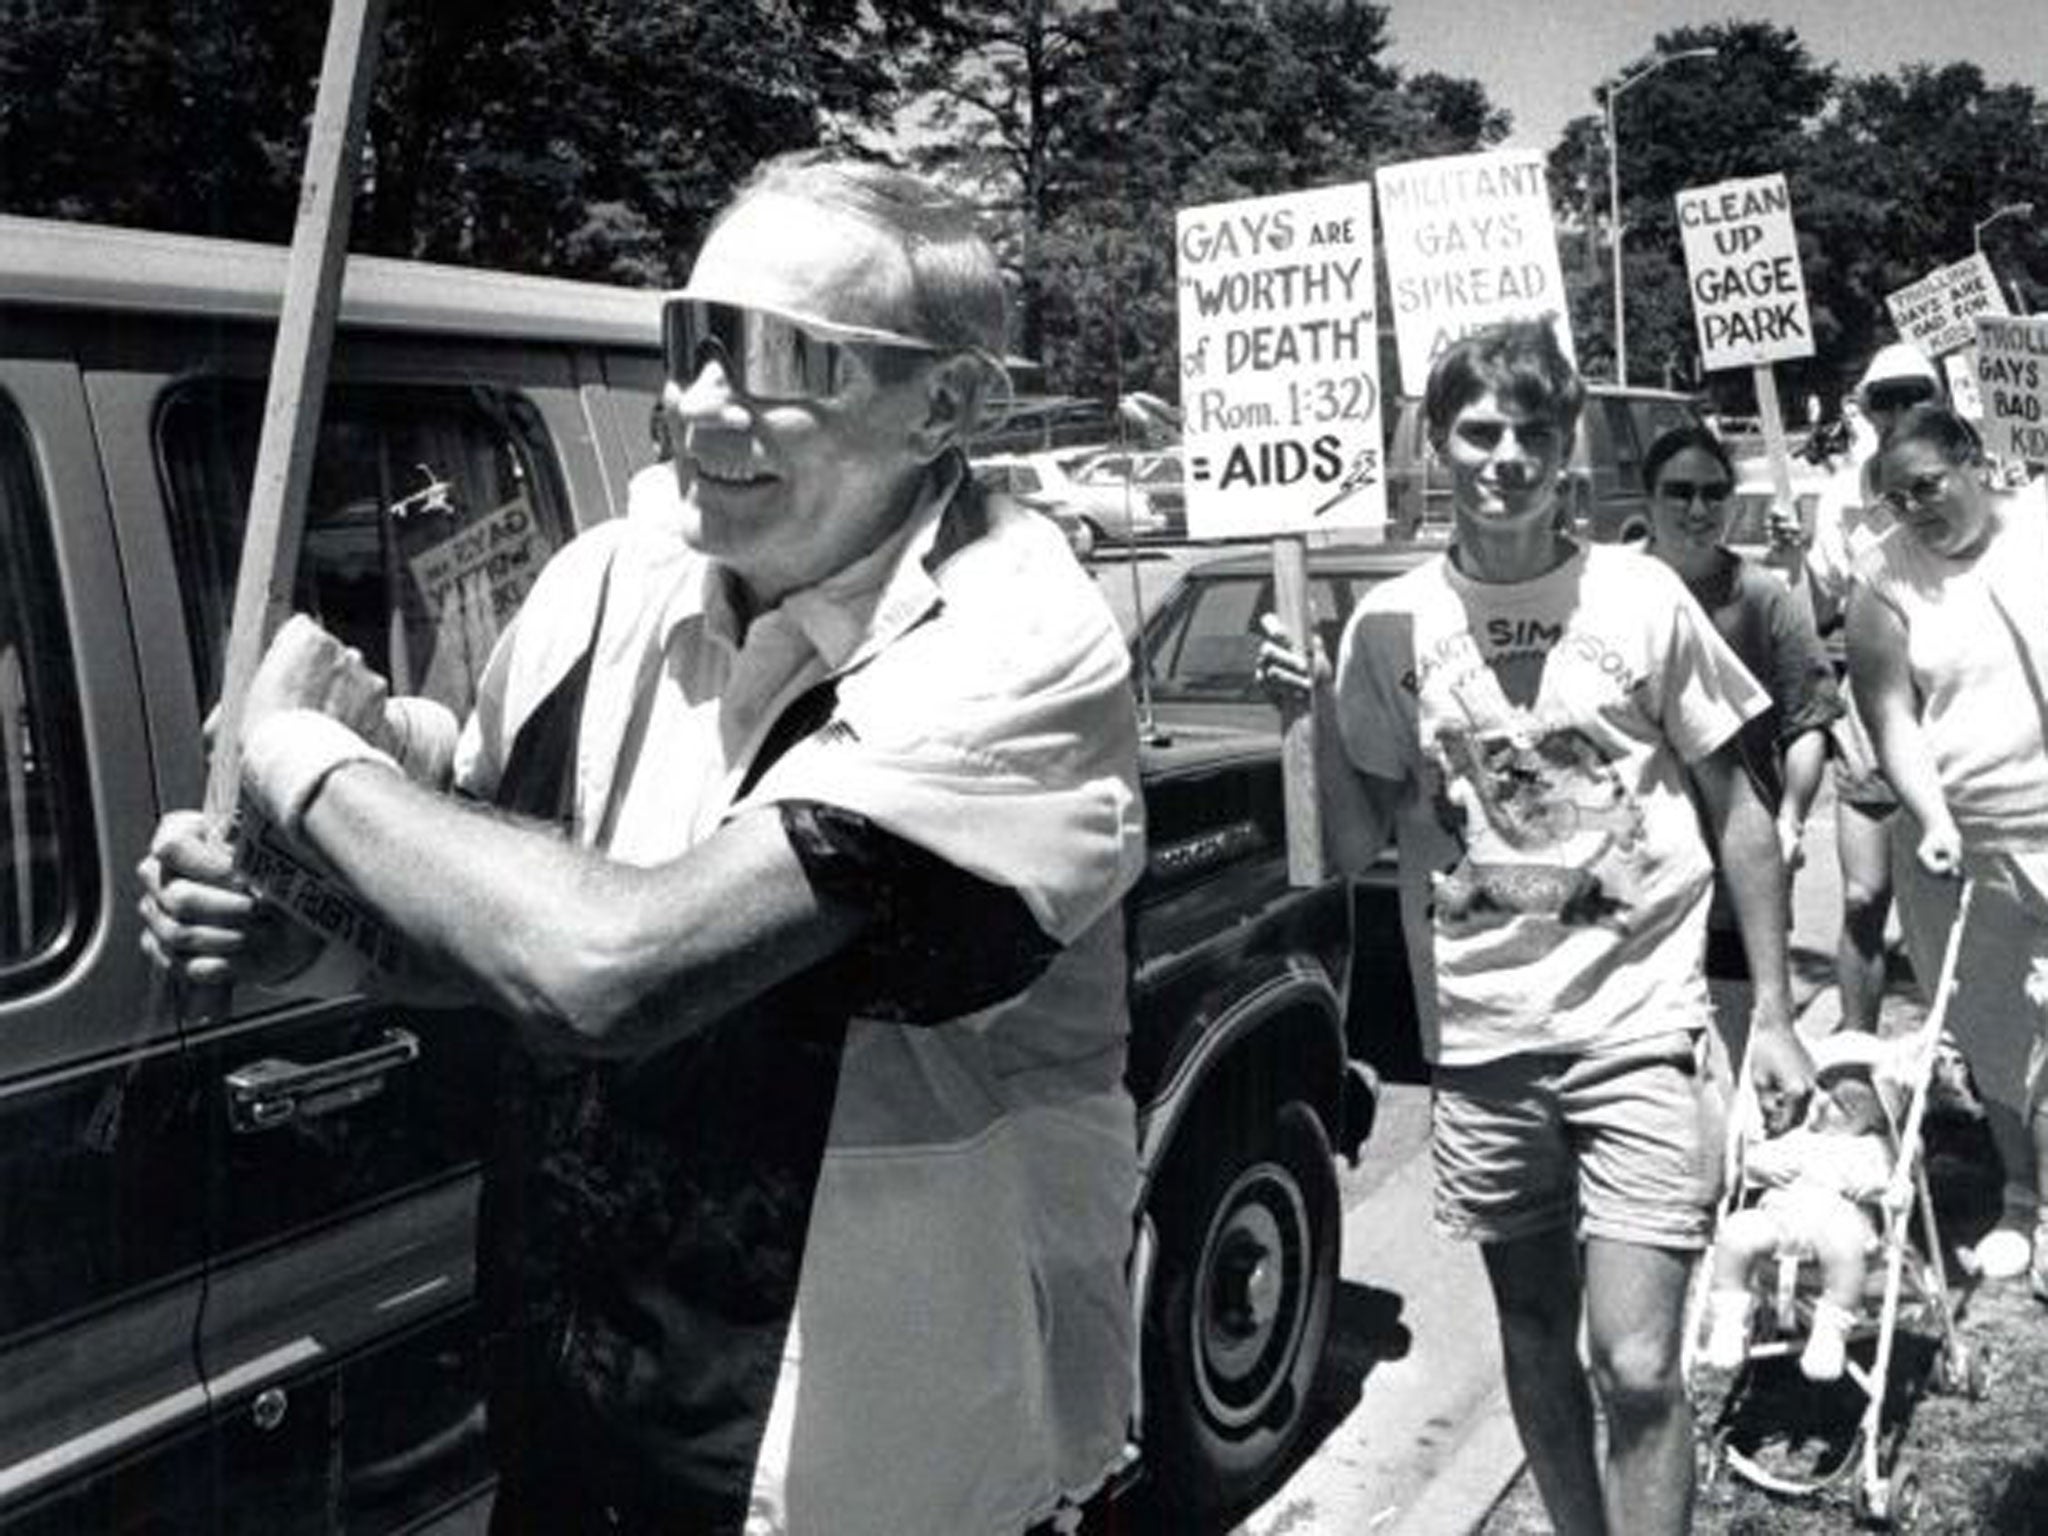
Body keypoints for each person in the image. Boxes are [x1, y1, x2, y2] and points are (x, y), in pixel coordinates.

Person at [138, 152, 1147, 1535]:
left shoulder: (1022, 639)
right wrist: (300, 913)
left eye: (789, 356)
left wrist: (302, 764)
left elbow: (611, 967)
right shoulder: (612, 574)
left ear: (949, 406)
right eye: (694, 337)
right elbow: (487, 885)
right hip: (586, 1428)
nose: (704, 402)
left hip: (877, 1473)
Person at [1258, 318, 1814, 1535]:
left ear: (1566, 454)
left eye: (1530, 433)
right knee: (1535, 1346)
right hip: (1484, 1040)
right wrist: (1305, 710)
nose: (1502, 455)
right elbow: (1351, 844)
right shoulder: (1387, 627)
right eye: (1476, 430)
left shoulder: (1640, 594)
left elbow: (1739, 809)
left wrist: (1771, 1013)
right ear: (1433, 449)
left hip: (1638, 1028)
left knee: (1632, 1363)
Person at [1848, 401, 2048, 1298]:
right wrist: (1930, 816)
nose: (1915, 511)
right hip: (1963, 841)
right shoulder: (1884, 578)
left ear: (1973, 460)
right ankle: (2021, 1195)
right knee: (1996, 1031)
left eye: (1927, 487)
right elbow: (1891, 718)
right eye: (1896, 498)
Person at [1639, 424, 1842, 1081]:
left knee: (1730, 1063)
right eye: (1678, 493)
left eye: (1713, 492)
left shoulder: (1765, 599)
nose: (1697, 509)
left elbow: (1807, 721)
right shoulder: (1612, 598)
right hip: (1634, 878)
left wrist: (1788, 820)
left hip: (1735, 875)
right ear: (1647, 500)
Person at [1784, 343, 1945, 1036]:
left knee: (1955, 910)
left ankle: (1970, 1058)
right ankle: (1856, 1057)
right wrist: (1788, 554)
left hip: (1951, 718)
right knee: (1861, 895)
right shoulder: (1842, 495)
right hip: (1871, 720)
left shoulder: (1962, 476)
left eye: (1916, 395)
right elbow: (1808, 608)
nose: (1901, 410)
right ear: (1866, 409)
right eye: (1886, 398)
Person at [1701, 1050, 1900, 1381]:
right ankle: (1730, 1316)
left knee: (1843, 1244)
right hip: (1782, 1221)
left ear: (1874, 1121)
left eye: (1840, 1105)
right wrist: (1765, 1163)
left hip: (1839, 1222)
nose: (1822, 1103)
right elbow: (1758, 1161)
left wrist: (1871, 1184)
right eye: (1822, 1091)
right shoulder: (1801, 1140)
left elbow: (1887, 1180)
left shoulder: (1873, 1147)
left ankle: (1831, 1328)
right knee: (1737, 1231)